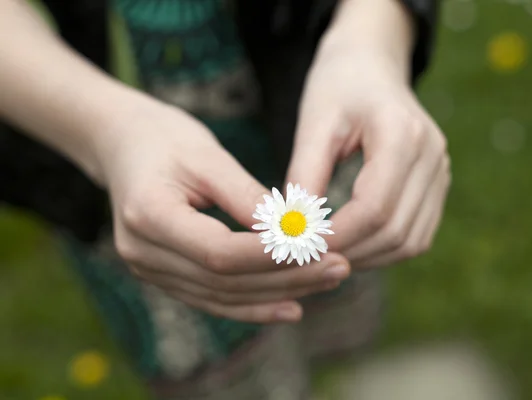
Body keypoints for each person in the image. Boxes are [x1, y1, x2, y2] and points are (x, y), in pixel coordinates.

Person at [0, 0, 447, 398]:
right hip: (107, 149)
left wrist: (372, 35)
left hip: (315, 112)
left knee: (325, 290)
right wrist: (104, 131)